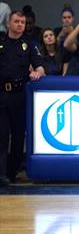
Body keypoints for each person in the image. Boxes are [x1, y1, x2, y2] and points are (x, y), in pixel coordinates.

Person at [0, 11, 45, 186]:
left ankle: (12, 173)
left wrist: (36, 72)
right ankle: (1, 174)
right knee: (2, 136)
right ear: (9, 24)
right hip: (2, 94)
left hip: (19, 96)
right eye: (17, 21)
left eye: (23, 22)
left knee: (19, 136)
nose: (20, 25)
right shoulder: (1, 42)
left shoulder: (29, 45)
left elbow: (40, 66)